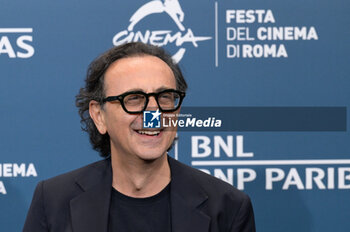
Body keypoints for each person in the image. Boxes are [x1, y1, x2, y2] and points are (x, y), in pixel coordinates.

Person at [23, 42, 256, 232]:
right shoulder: (53, 201)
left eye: (165, 97)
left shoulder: (228, 207)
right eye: (133, 99)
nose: (153, 113)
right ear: (99, 115)